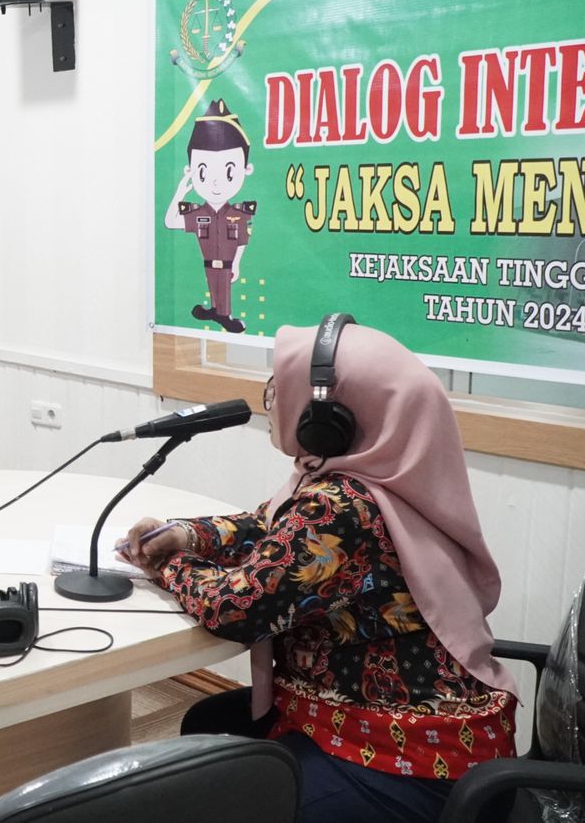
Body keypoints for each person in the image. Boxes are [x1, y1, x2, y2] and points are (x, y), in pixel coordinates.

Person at [121, 315, 518, 823]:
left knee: (212, 790)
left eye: (279, 388)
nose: (271, 400)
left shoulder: (341, 506)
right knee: (206, 720)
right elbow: (267, 527)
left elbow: (235, 608)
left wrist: (169, 565)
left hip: (407, 759)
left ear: (327, 418)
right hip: (425, 731)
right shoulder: (385, 477)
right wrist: (186, 534)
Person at [164, 98, 255, 333]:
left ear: (246, 170)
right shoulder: (198, 213)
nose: (215, 182)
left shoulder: (238, 214)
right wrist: (180, 192)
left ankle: (224, 315)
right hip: (208, 263)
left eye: (228, 171)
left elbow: (242, 240)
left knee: (224, 287)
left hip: (226, 264)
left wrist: (237, 263)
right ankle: (215, 310)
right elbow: (170, 222)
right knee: (213, 286)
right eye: (203, 172)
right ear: (190, 171)